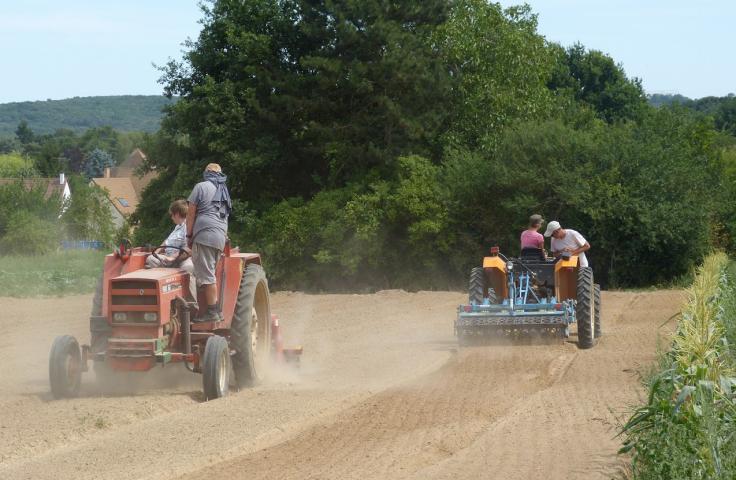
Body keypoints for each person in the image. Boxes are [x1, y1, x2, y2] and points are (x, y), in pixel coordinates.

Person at [186, 163, 232, 322]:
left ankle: (212, 312)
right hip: (220, 237)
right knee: (209, 273)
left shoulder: (200, 187)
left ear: (206, 173)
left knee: (206, 276)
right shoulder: (224, 190)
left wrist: (189, 235)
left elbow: (190, 213)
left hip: (204, 235)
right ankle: (215, 311)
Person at [145, 199, 198, 307]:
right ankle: (157, 296)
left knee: (188, 267)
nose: (171, 217)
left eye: (172, 215)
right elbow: (167, 241)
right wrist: (157, 252)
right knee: (150, 259)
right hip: (169, 258)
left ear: (177, 214)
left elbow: (189, 248)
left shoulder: (189, 226)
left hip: (183, 258)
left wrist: (174, 258)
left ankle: (191, 303)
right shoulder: (177, 227)